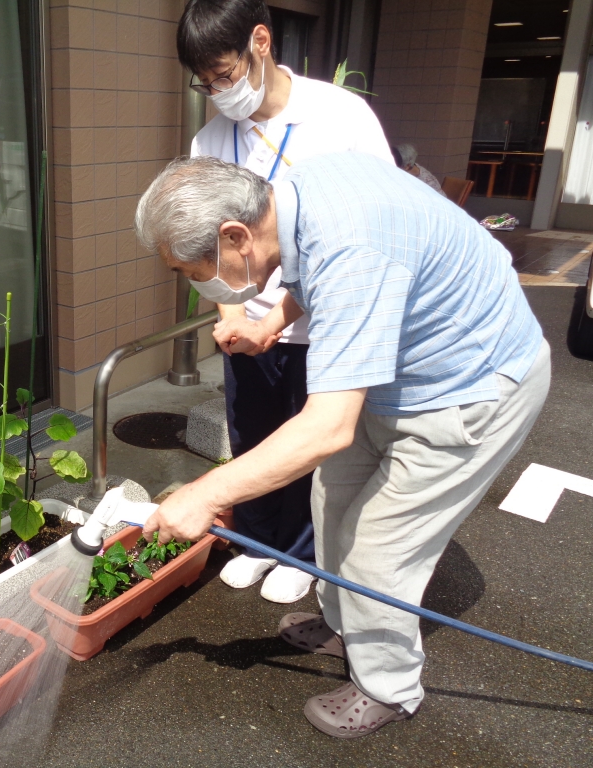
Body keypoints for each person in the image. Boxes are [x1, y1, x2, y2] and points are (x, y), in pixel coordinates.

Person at [134, 153, 549, 738]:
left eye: (192, 270)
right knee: (331, 500)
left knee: (381, 549)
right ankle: (345, 627)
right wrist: (271, 322)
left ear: (235, 235)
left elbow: (328, 427)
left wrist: (203, 494)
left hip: (471, 387)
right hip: (397, 376)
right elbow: (312, 281)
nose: (196, 283)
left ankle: (388, 687)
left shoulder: (353, 250)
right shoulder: (293, 199)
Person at [177, 0, 394, 604]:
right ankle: (254, 542)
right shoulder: (211, 137)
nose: (219, 91)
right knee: (251, 433)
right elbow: (205, 238)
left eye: (224, 74)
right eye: (206, 82)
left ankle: (302, 554)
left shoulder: (340, 116)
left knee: (307, 445)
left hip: (327, 319)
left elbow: (368, 226)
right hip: (246, 320)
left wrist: (278, 317)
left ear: (261, 42)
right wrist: (231, 315)